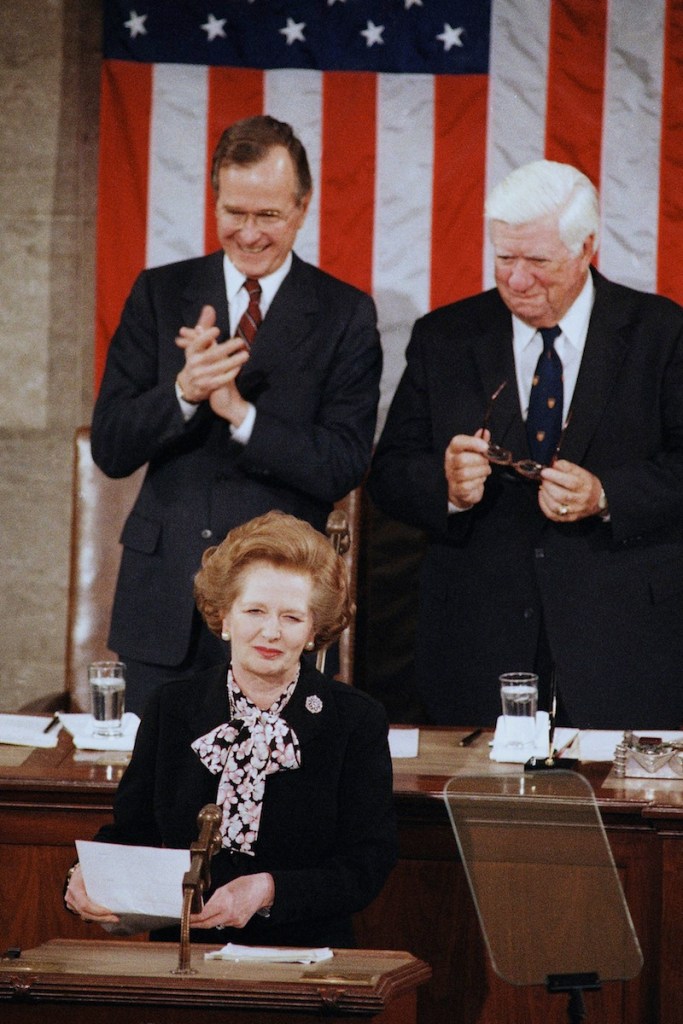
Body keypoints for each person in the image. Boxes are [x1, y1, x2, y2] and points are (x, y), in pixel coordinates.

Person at [368, 159, 683, 731]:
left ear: (586, 247)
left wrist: (607, 493)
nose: (515, 280)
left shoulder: (661, 333)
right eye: (504, 258)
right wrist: (448, 488)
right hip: (477, 646)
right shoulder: (445, 336)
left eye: (537, 261)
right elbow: (388, 473)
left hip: (622, 648)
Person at [91, 115, 382, 713]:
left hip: (275, 611)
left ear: (302, 208)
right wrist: (183, 393)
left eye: (268, 216)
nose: (248, 233)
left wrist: (241, 413)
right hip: (162, 602)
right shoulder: (159, 292)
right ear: (215, 201)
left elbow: (341, 465)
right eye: (234, 213)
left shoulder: (343, 314)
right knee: (157, 792)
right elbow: (112, 447)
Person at [64, 511, 397, 948]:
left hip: (304, 955)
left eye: (292, 618)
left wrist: (267, 890)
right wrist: (82, 876)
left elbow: (365, 866)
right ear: (224, 617)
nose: (271, 632)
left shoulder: (356, 721)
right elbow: (132, 835)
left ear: (315, 631)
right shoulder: (172, 706)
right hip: (185, 952)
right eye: (254, 610)